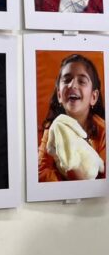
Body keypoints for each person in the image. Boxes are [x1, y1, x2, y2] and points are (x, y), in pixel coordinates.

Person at [38, 54, 106, 182]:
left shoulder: (104, 132)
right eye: (67, 80)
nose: (72, 85)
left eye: (82, 81)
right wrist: (68, 177)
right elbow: (41, 172)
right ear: (59, 95)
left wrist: (76, 176)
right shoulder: (53, 129)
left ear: (93, 97)